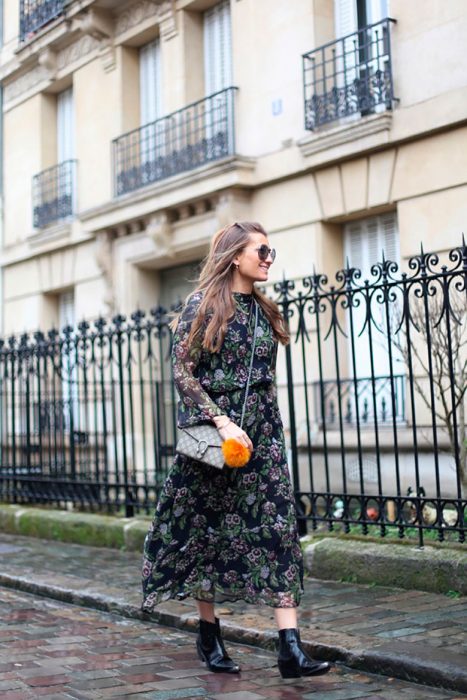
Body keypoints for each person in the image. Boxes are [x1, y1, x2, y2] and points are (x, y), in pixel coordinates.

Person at [142, 221, 331, 679]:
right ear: (234, 257)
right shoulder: (201, 307)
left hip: (263, 434)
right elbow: (183, 373)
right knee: (207, 532)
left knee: (277, 529)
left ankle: (290, 649)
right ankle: (209, 633)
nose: (269, 258)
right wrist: (223, 421)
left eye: (271, 250)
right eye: (261, 250)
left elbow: (260, 380)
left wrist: (256, 425)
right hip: (212, 435)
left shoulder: (266, 311)